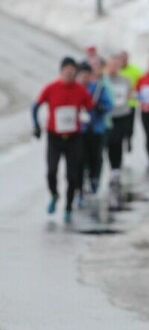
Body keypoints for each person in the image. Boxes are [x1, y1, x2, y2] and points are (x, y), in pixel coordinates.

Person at [32, 56, 95, 224]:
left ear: (75, 72)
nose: (69, 73)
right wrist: (36, 126)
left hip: (74, 138)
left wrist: (88, 121)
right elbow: (35, 106)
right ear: (61, 71)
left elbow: (90, 109)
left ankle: (68, 206)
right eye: (66, 70)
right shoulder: (51, 88)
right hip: (54, 137)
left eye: (72, 70)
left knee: (72, 175)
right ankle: (54, 194)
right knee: (51, 171)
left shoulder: (81, 90)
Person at [77, 61, 113, 202]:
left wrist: (100, 108)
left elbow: (109, 105)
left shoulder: (98, 88)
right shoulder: (76, 89)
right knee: (80, 159)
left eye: (87, 75)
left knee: (95, 157)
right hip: (80, 130)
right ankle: (80, 187)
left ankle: (94, 179)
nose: (84, 78)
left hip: (96, 129)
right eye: (82, 75)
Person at [105, 56, 134, 209]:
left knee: (119, 142)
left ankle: (117, 168)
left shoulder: (125, 80)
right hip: (109, 117)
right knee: (111, 143)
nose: (113, 67)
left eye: (115, 65)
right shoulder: (103, 81)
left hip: (123, 115)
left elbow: (130, 95)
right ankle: (112, 167)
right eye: (111, 65)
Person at [117, 50, 142, 153]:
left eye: (125, 58)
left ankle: (129, 140)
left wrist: (135, 93)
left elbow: (142, 83)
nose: (123, 60)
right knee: (118, 130)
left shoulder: (135, 70)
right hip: (117, 105)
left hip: (130, 104)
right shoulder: (115, 70)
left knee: (129, 127)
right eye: (121, 58)